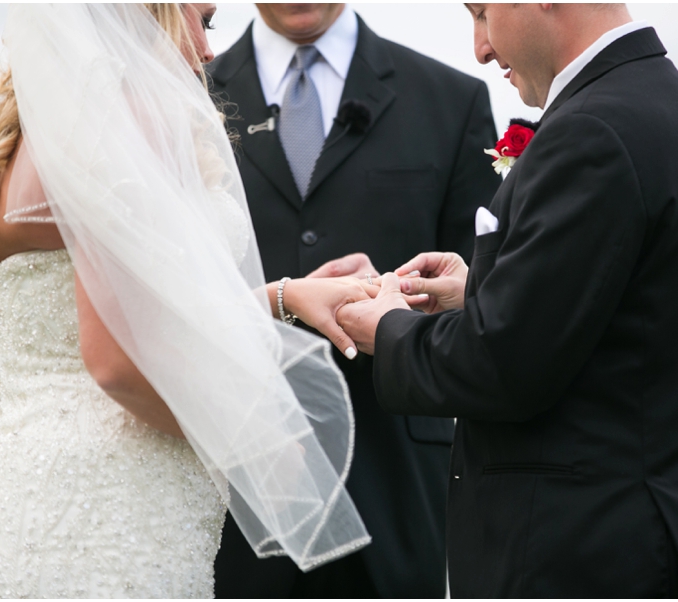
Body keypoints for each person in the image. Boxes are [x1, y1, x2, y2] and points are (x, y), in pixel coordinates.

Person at [0, 4, 377, 597]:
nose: (206, 51)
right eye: (198, 20)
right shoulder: (122, 123)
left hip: (18, 503)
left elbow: (125, 316)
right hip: (112, 517)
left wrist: (286, 296)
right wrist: (253, 441)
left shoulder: (38, 136)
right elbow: (117, 362)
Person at [335, 3, 678, 598]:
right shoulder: (657, 101)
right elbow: (614, 312)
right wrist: (477, 291)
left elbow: (501, 366)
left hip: (581, 558)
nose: (480, 48)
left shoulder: (595, 130)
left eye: (481, 12)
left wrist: (387, 326)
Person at [206, 3, 502, 597]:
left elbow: (488, 306)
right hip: (228, 491)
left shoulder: (451, 100)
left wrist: (397, 295)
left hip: (397, 488)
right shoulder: (182, 96)